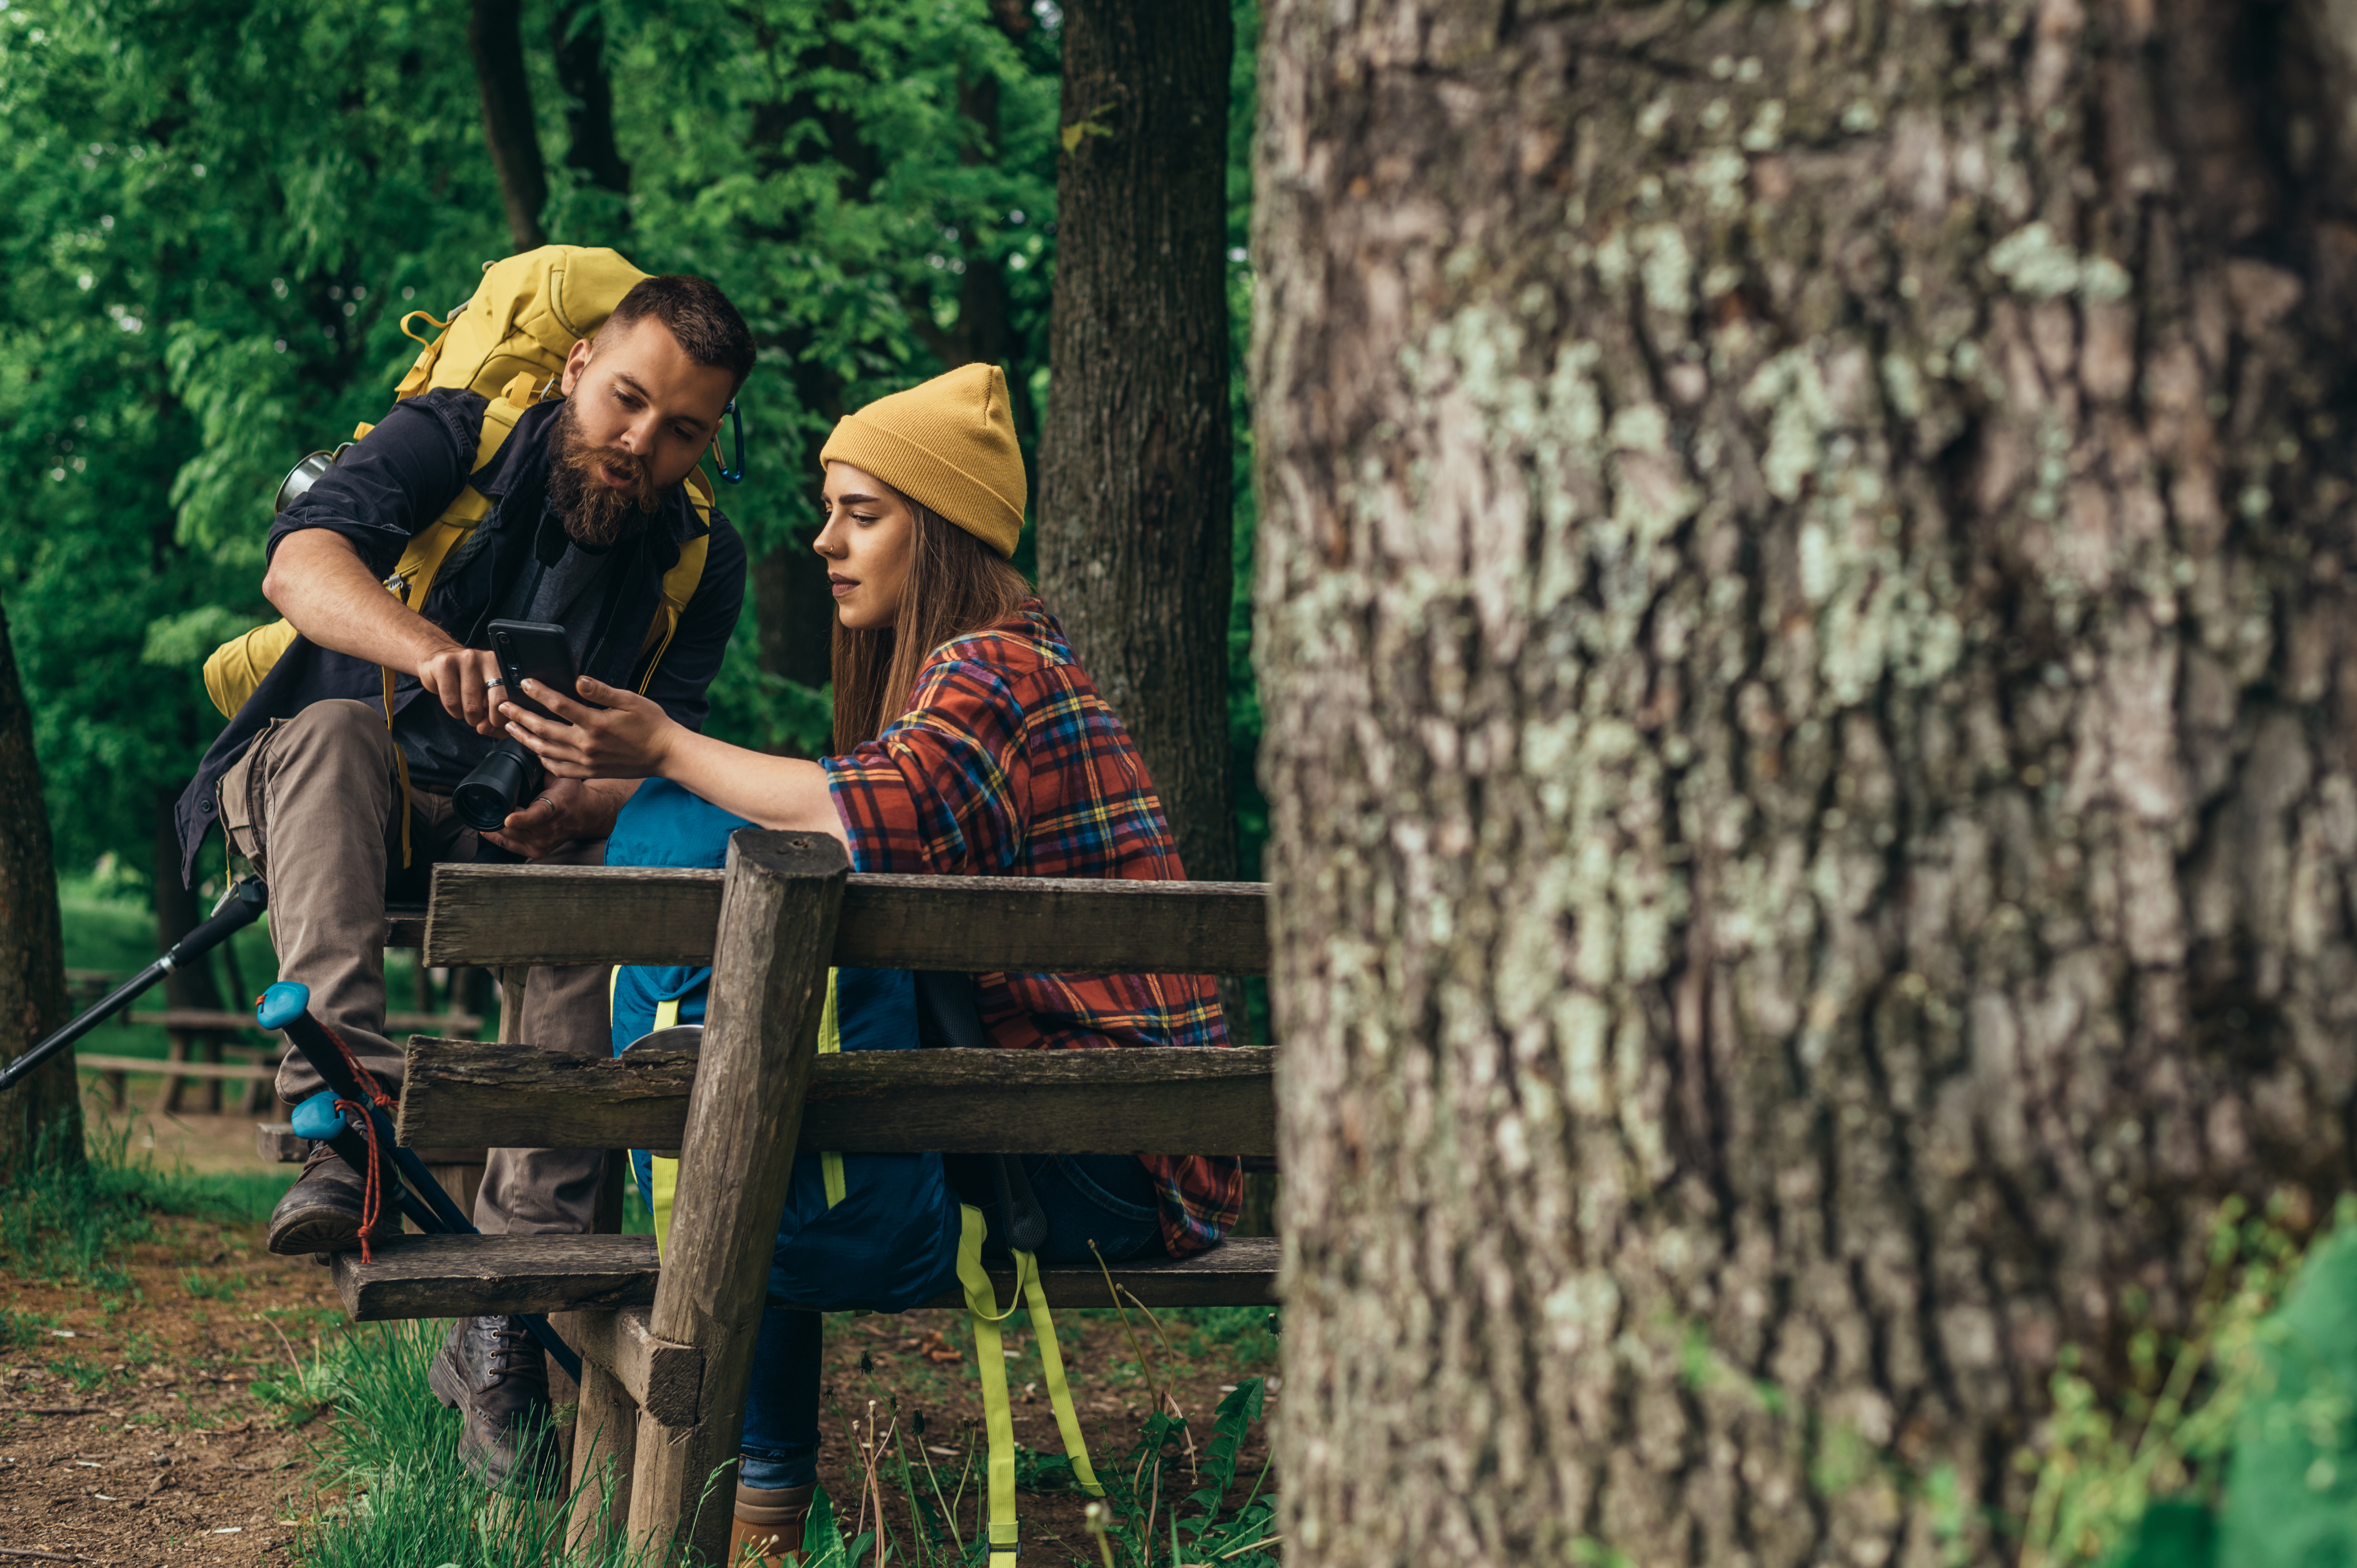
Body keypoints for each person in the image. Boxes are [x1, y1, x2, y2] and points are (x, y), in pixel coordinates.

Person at [498, 362, 1243, 1562]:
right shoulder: (999, 670)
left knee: (761, 1126)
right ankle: (760, 1513)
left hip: (1108, 1161)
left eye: (861, 512)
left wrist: (670, 747)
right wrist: (628, 792)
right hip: (1100, 1130)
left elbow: (863, 818)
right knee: (766, 1110)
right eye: (827, 509)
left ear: (937, 528)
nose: (823, 539)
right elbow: (868, 814)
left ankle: (758, 1519)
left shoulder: (990, 669)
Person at [169, 274, 753, 1490]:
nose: (641, 442)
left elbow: (663, 750)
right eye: (627, 399)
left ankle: (512, 1301)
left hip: (512, 832)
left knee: (620, 855)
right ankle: (349, 1127)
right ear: (576, 365)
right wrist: (431, 653)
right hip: (334, 794)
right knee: (332, 732)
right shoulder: (452, 434)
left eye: (682, 428)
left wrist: (591, 799)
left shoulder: (702, 557)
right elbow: (300, 569)